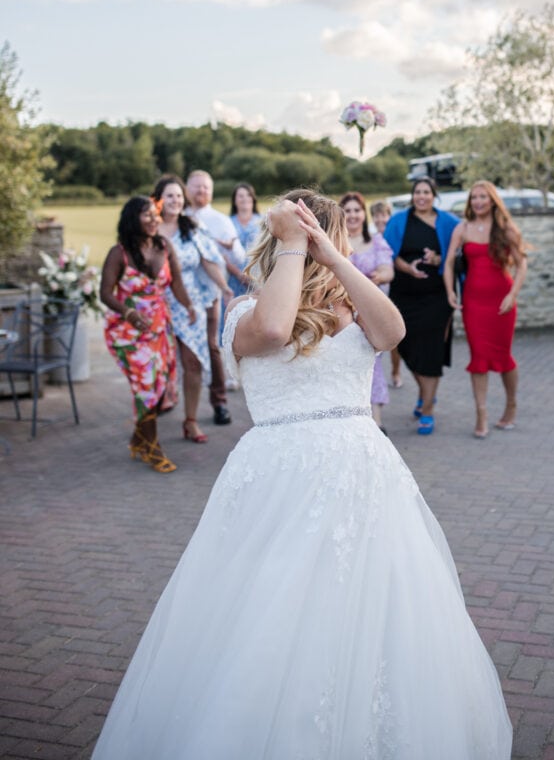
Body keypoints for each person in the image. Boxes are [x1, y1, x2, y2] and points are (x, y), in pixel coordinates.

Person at [91, 188, 512, 760]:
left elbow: (392, 334)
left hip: (363, 472)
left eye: (317, 233)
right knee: (276, 603)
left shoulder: (354, 303)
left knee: (372, 600)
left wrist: (335, 256)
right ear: (279, 236)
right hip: (281, 476)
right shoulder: (246, 310)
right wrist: (293, 243)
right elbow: (272, 332)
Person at [100, 196, 196, 474]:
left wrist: (188, 306)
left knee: (158, 385)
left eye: (156, 215)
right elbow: (105, 293)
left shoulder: (164, 247)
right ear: (132, 218)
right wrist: (129, 313)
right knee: (146, 387)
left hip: (159, 328)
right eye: (147, 215)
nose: (155, 219)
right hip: (127, 331)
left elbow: (176, 283)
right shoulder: (119, 254)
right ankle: (152, 449)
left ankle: (138, 439)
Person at [444, 180, 528, 439]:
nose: (478, 201)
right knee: (478, 359)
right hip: (474, 303)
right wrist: (450, 292)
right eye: (474, 197)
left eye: (483, 197)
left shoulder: (506, 229)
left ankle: (511, 404)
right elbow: (448, 264)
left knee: (504, 358)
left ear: (492, 201)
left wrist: (513, 295)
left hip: (502, 302)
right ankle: (481, 413)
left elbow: (522, 264)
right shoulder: (463, 229)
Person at [153, 175, 233, 443]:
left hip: (189, 302)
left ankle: (191, 420)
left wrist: (224, 286)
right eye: (169, 195)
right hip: (156, 302)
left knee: (193, 362)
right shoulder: (149, 228)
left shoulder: (191, 228)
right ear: (159, 199)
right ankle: (148, 418)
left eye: (178, 195)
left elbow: (210, 259)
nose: (175, 200)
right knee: (156, 363)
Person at [383, 178, 459, 435]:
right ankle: (426, 393)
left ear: (434, 195)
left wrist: (437, 258)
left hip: (437, 297)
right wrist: (408, 268)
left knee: (432, 351)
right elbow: (388, 254)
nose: (422, 196)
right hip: (404, 295)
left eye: (426, 192)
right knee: (405, 346)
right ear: (412, 195)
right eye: (418, 192)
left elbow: (458, 256)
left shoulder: (449, 222)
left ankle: (427, 409)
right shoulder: (398, 221)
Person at [185, 169, 243, 423]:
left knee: (212, 346)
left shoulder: (221, 220)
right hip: (180, 294)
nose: (201, 191)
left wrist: (229, 246)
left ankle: (219, 402)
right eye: (196, 187)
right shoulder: (180, 217)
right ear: (188, 188)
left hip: (210, 292)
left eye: (205, 187)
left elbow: (239, 257)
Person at [340, 191, 394, 433]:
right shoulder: (335, 242)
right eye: (348, 210)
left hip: (371, 312)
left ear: (364, 214)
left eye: (357, 210)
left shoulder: (376, 241)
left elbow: (388, 271)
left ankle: (376, 420)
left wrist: (379, 276)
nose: (352, 215)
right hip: (342, 313)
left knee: (373, 361)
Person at [370, 200, 403, 388]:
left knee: (393, 339)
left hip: (393, 290)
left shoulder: (393, 236)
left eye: (384, 215)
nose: (380, 219)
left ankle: (396, 371)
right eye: (376, 215)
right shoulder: (371, 238)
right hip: (377, 290)